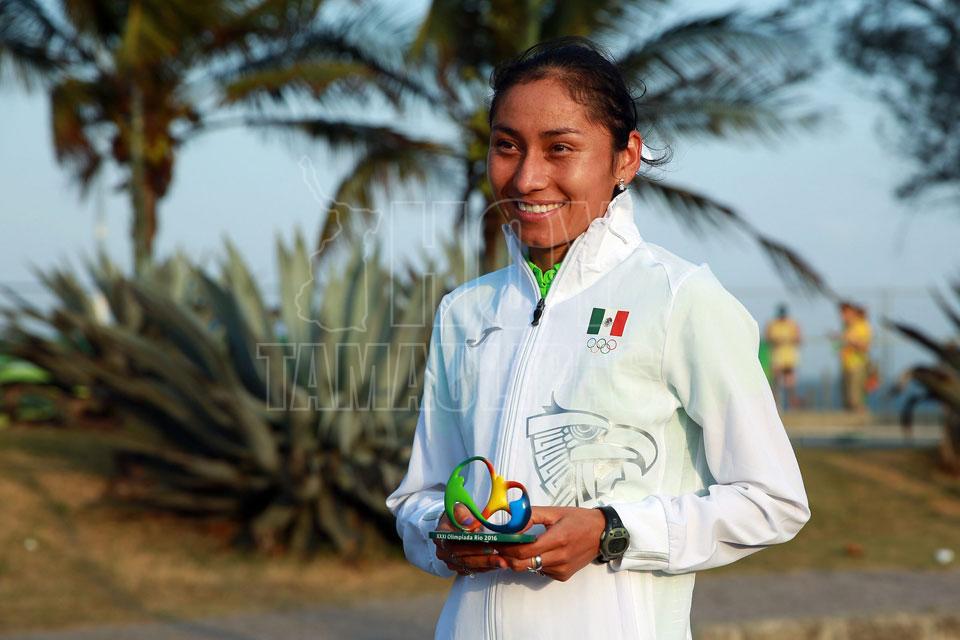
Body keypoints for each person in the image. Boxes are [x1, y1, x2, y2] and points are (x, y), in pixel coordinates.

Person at [386, 37, 809, 640]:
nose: (528, 177)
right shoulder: (465, 312)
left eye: (560, 148)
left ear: (625, 158)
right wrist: (444, 534)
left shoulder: (679, 298)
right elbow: (417, 499)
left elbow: (773, 500)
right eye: (507, 146)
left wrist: (612, 530)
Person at [765, 304, 802, 409]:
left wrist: (789, 340)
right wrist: (776, 340)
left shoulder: (792, 324)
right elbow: (768, 338)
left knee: (790, 383)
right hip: (777, 357)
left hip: (789, 357)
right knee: (776, 382)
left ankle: (792, 405)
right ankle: (775, 404)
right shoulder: (772, 324)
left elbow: (799, 339)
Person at [838, 302, 872, 412]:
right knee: (848, 401)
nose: (842, 317)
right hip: (847, 365)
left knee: (856, 400)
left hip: (858, 365)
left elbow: (865, 347)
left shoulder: (862, 326)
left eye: (844, 313)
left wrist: (851, 341)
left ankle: (862, 420)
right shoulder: (848, 327)